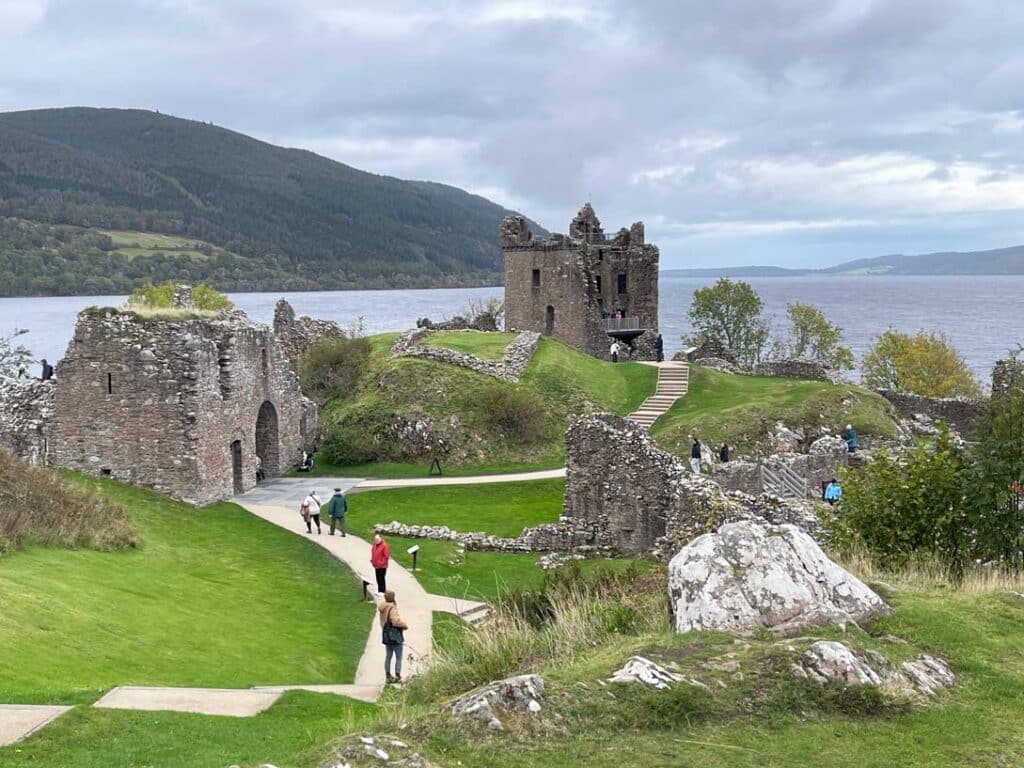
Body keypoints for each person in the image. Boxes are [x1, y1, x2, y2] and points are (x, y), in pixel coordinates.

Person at [378, 589, 409, 684]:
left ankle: (388, 675)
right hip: (395, 636)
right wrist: (404, 625)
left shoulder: (382, 607)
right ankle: (397, 675)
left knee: (388, 656)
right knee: (398, 657)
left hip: (386, 635)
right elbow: (395, 621)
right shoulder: (392, 608)